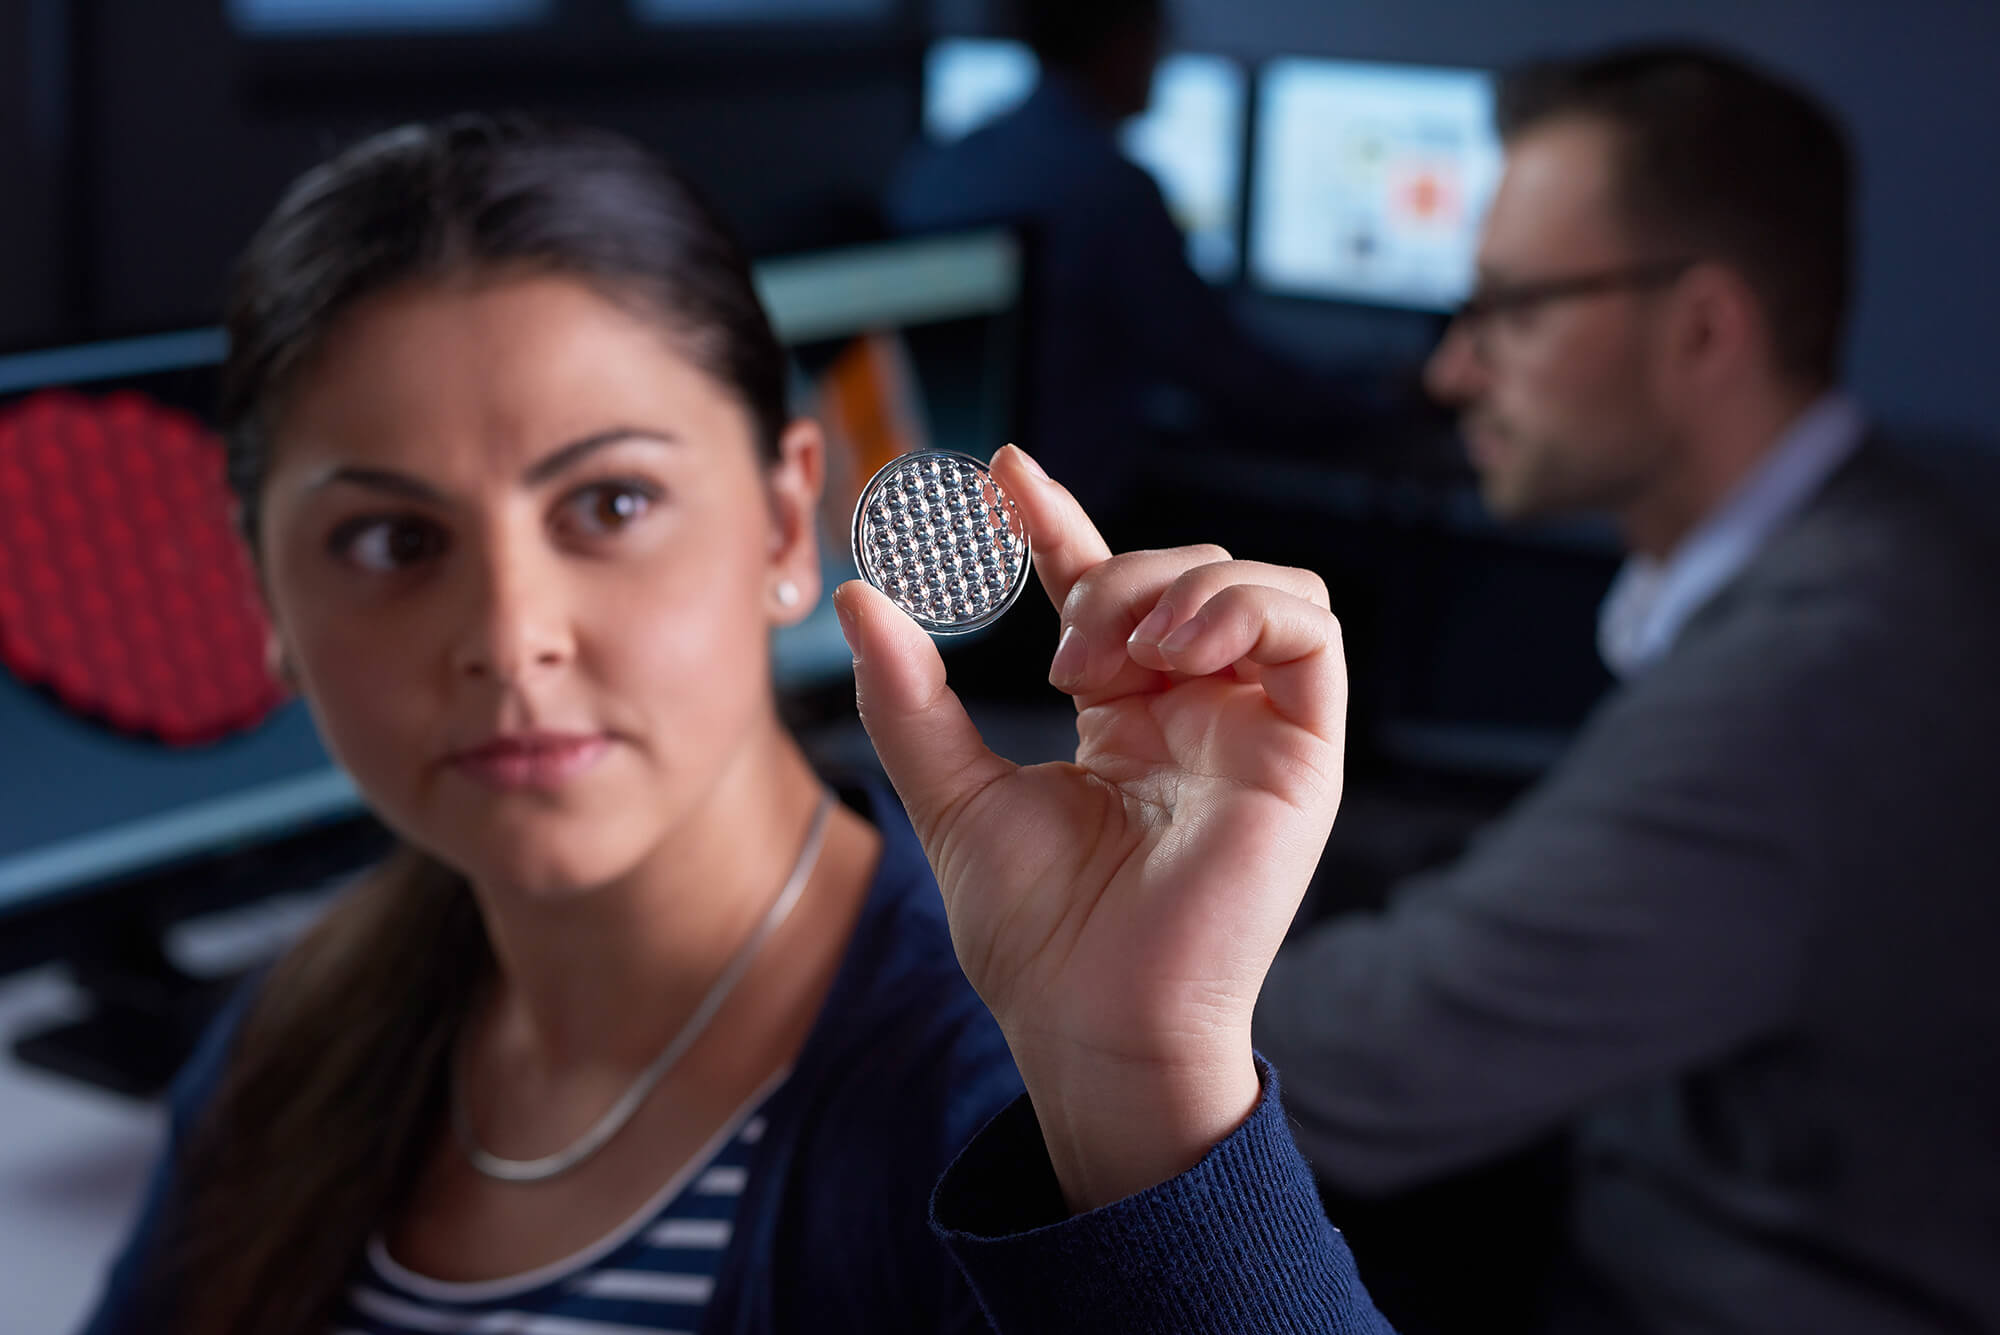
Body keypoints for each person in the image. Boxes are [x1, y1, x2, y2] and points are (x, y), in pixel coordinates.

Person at [77, 115, 1396, 1335]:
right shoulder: (290, 1042)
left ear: (783, 521)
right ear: (262, 598)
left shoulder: (1002, 1102)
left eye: (610, 504)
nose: (510, 631)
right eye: (391, 537)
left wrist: (1142, 1086)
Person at [1253, 44, 2000, 1334]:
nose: (1450, 372)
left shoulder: (1816, 672)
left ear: (1703, 327)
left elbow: (1370, 1070)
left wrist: (1023, 950)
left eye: (1512, 309)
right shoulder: (1880, 547)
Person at [885, 0, 1381, 529]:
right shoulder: (1114, 192)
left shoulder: (935, 170)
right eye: (1158, 40)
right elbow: (1221, 370)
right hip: (1072, 521)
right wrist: (1369, 399)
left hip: (943, 512)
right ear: (1123, 44)